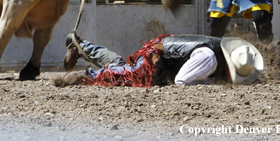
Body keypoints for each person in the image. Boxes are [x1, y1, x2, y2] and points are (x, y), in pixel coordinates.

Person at [61, 33, 263, 87]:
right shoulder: (209, 59)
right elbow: (181, 81)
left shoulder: (215, 49)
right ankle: (83, 76)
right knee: (128, 76)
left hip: (159, 53)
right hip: (157, 59)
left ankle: (82, 46)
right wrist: (211, 82)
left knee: (122, 66)